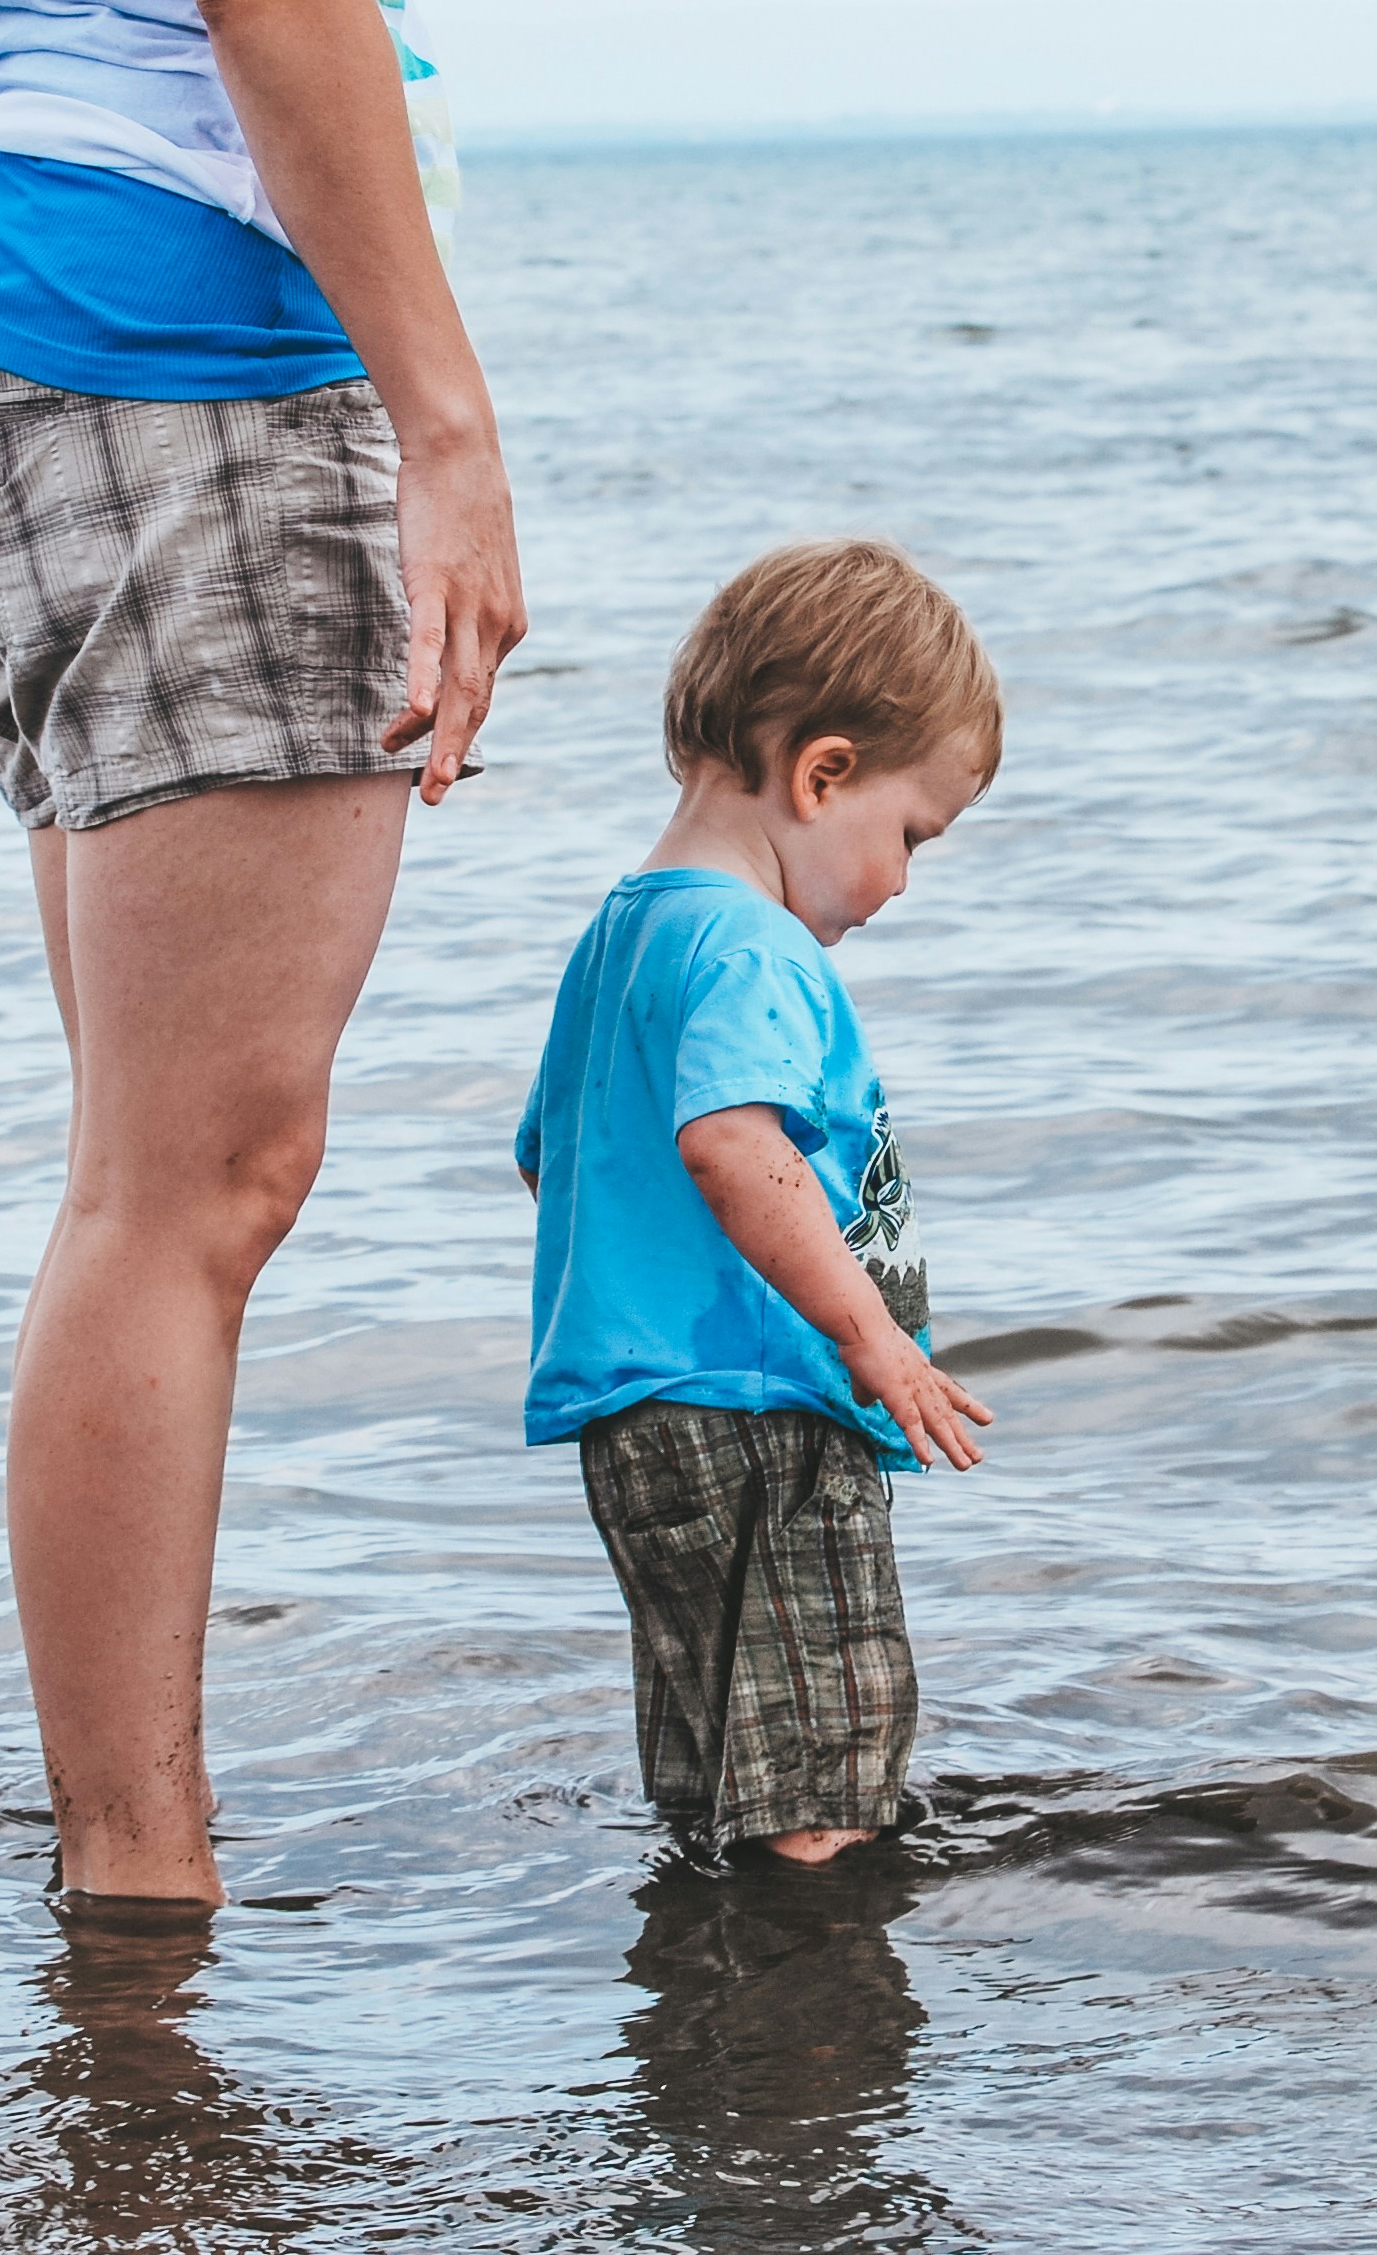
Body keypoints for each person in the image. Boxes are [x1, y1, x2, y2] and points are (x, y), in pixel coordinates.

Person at [0, 0, 523, 1908]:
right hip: (200, 329)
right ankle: (140, 1893)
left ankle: (125, 1882)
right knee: (193, 1189)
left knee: (140, 1184)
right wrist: (446, 426)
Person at [515, 543, 1003, 1867]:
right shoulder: (751, 945)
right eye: (910, 837)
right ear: (822, 772)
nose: (901, 882)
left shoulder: (623, 935)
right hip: (762, 1406)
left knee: (719, 1748)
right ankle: (816, 2043)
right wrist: (867, 1334)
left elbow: (549, 1159)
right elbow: (734, 1145)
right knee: (827, 1771)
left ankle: (703, 2016)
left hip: (638, 1420)